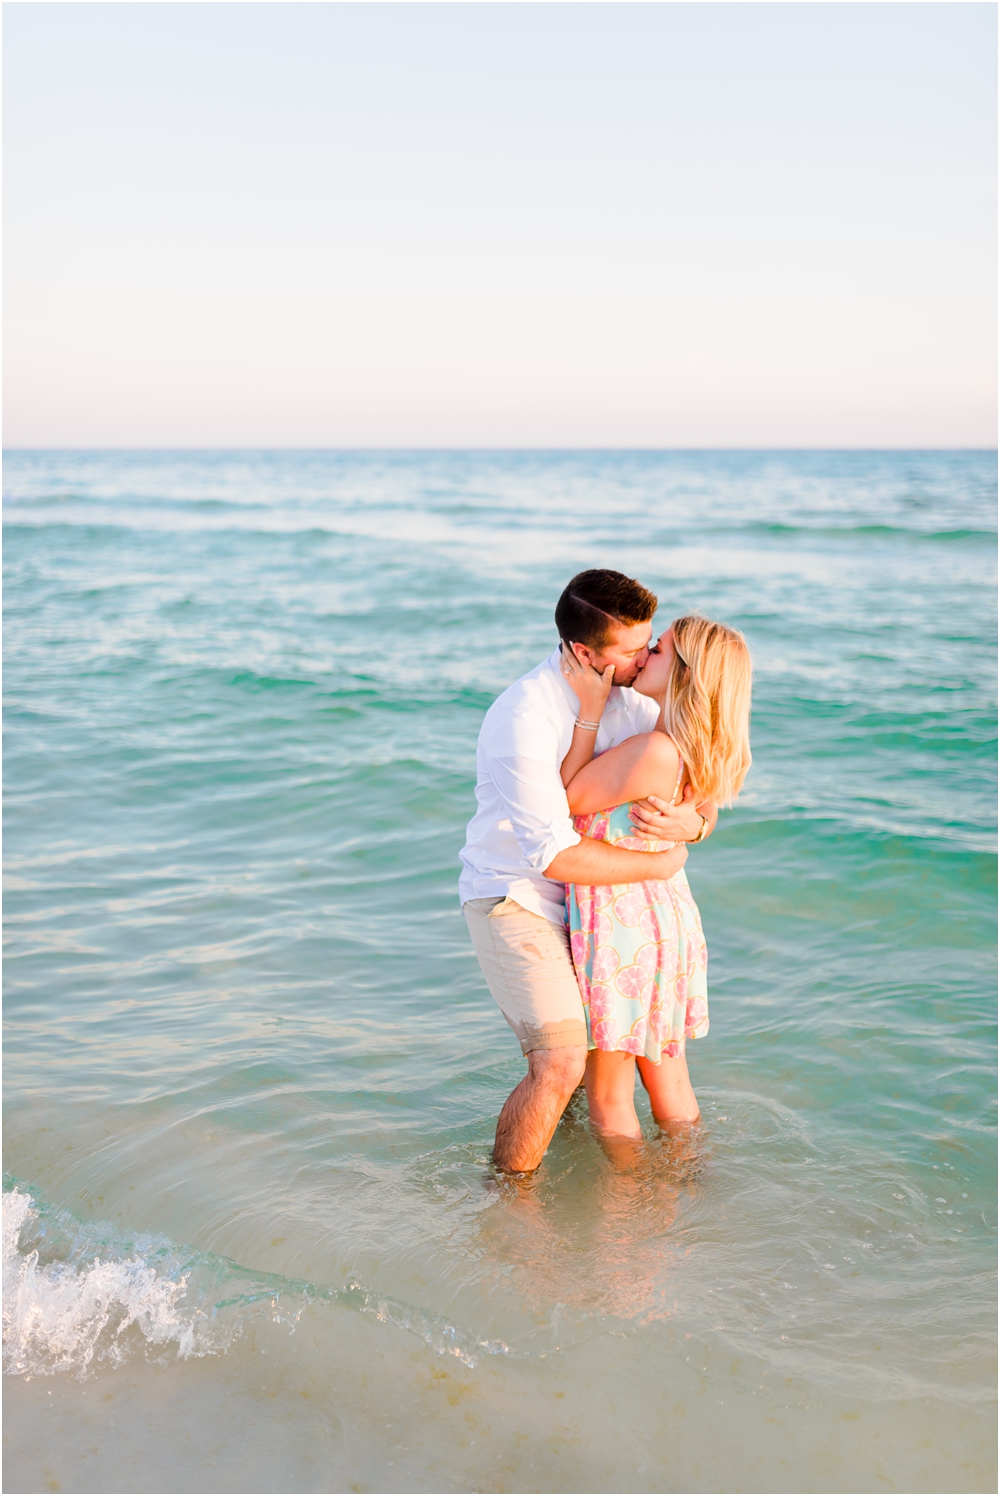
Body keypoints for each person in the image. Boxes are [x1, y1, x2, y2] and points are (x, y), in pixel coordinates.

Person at [460, 571, 717, 1173]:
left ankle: (594, 1187)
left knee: (596, 1068)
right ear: (584, 652)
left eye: (650, 645)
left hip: (596, 907)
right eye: (632, 651)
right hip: (518, 896)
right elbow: (554, 855)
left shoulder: (633, 699)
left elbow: (694, 766)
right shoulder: (523, 715)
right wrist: (665, 864)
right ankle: (507, 1207)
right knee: (562, 1061)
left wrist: (696, 827)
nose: (644, 658)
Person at [559, 614, 752, 1143]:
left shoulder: (653, 750)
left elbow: (567, 798)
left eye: (659, 651)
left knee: (609, 1096)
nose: (644, 657)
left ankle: (629, 1216)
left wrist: (590, 711)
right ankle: (690, 1191)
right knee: (667, 1076)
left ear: (685, 676)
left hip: (622, 926)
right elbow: (702, 813)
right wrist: (700, 825)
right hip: (662, 919)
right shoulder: (690, 749)